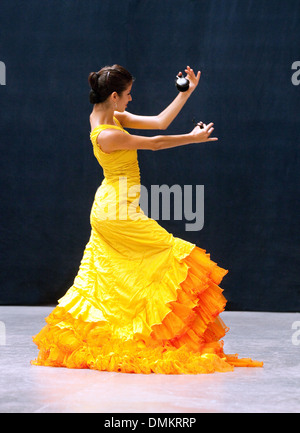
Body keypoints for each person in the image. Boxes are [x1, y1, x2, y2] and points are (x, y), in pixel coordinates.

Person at [31, 64, 263, 374]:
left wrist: (186, 92)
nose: (130, 99)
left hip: (115, 205)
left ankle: (136, 334)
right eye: (127, 95)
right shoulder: (108, 133)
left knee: (115, 279)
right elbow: (154, 143)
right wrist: (192, 139)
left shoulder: (109, 115)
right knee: (173, 254)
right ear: (114, 96)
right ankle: (159, 336)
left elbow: (158, 122)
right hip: (116, 211)